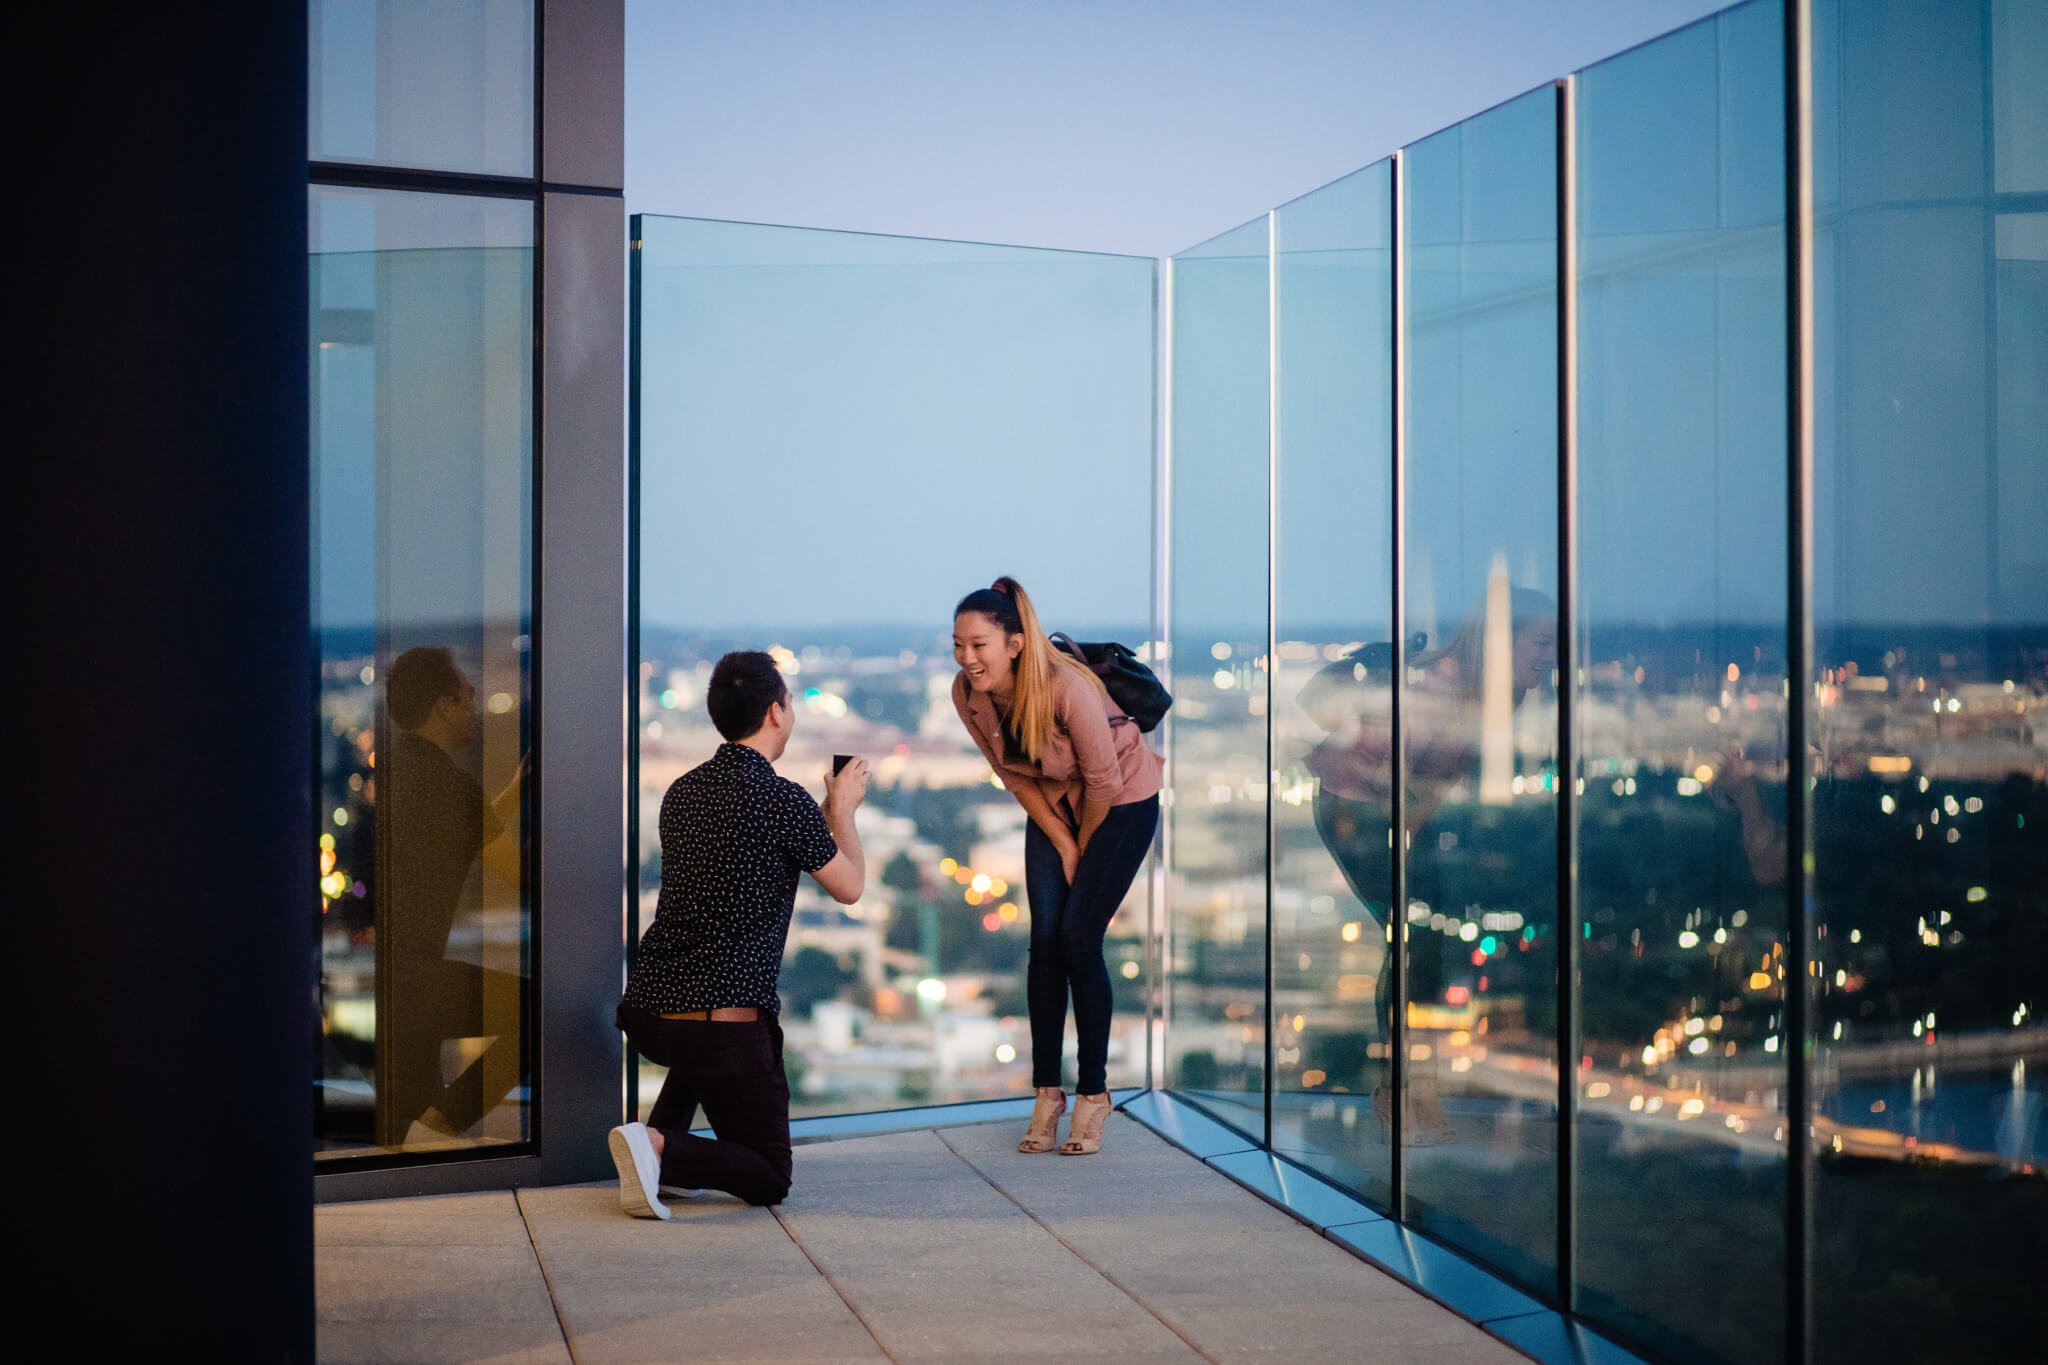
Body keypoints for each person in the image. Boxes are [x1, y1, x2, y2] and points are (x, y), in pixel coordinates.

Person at [608, 650, 868, 1218]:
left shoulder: (682, 792)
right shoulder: (782, 800)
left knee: (702, 1055)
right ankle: (657, 1147)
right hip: (718, 1026)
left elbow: (746, 853)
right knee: (771, 1174)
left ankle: (661, 1163)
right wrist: (843, 810)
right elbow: (849, 887)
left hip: (650, 1011)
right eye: (791, 704)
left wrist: (819, 815)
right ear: (776, 712)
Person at [1299, 584, 1556, 1144]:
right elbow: (1384, 772)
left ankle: (1410, 1086)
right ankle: (1402, 1089)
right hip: (1354, 807)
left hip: (1398, 810)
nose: (1549, 656)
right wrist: (1401, 831)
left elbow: (1440, 777)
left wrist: (1413, 830)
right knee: (1414, 936)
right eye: (1541, 643)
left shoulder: (1502, 691)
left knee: (1425, 941)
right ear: (1500, 640)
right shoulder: (1439, 684)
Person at [952, 577, 1162, 1156]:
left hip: (1120, 802)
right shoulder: (966, 695)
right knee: (1043, 941)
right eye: (958, 645)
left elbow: (1104, 781)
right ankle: (1048, 1092)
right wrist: (1063, 844)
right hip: (1052, 803)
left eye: (980, 646)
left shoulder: (1067, 687)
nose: (968, 658)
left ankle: (1093, 1093)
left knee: (1077, 935)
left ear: (1015, 644)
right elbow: (1012, 772)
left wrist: (1084, 847)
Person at [378, 645, 527, 1148]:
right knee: (536, 1016)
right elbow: (519, 874)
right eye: (467, 696)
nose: (474, 707)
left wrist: (513, 792)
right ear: (442, 705)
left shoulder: (398, 769)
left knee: (407, 1114)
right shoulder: (450, 784)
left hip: (386, 972)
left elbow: (466, 827)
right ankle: (439, 1131)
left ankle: (426, 1134)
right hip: (417, 975)